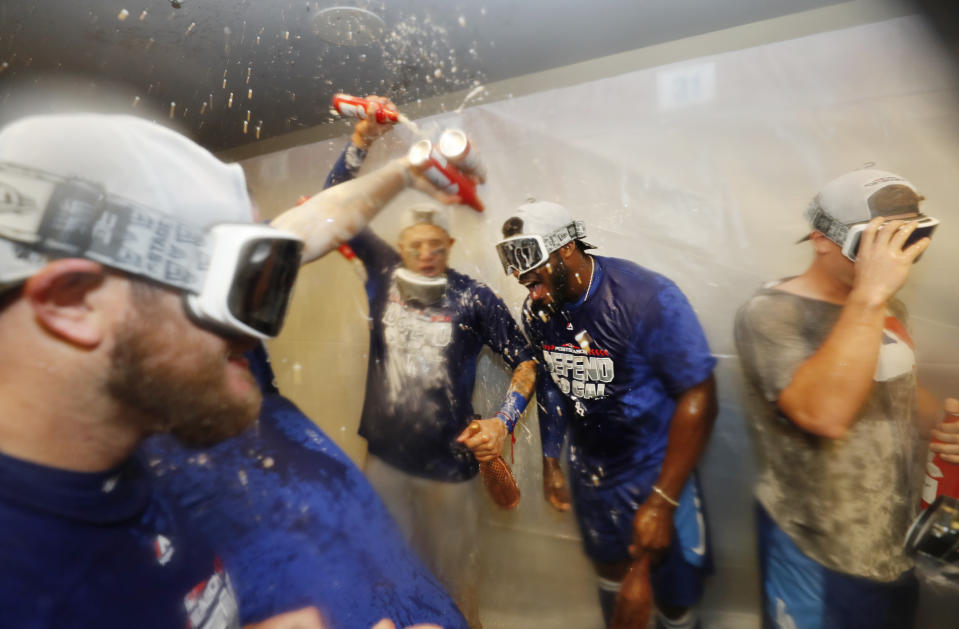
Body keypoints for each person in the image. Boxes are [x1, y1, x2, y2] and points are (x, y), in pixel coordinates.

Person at [0, 111, 445, 629]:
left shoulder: (113, 476)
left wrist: (406, 169)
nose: (255, 337)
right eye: (228, 293)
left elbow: (306, 229)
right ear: (73, 303)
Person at [142, 99, 468, 629]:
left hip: (329, 488)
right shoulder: (122, 477)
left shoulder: (471, 297)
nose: (247, 322)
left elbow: (308, 225)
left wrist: (403, 170)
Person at [320, 103, 537, 629]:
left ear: (449, 247)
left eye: (434, 247)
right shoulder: (383, 276)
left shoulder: (474, 297)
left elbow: (527, 362)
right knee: (382, 576)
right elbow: (333, 208)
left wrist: (502, 421)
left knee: (454, 584)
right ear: (401, 248)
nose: (423, 255)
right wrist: (360, 144)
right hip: (385, 461)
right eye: (414, 246)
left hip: (449, 468)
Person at [733, 168, 946, 629]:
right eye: (873, 243)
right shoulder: (772, 314)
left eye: (907, 238)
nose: (892, 259)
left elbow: (897, 389)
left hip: (892, 544)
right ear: (822, 239)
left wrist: (945, 424)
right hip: (818, 552)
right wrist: (871, 294)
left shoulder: (883, 303)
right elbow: (822, 414)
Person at [494, 201, 718, 629]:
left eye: (534, 277)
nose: (530, 291)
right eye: (522, 281)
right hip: (594, 474)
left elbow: (700, 396)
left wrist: (664, 501)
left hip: (657, 469)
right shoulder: (539, 311)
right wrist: (551, 459)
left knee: (674, 600)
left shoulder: (646, 298)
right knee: (616, 595)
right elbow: (555, 382)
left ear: (564, 250)